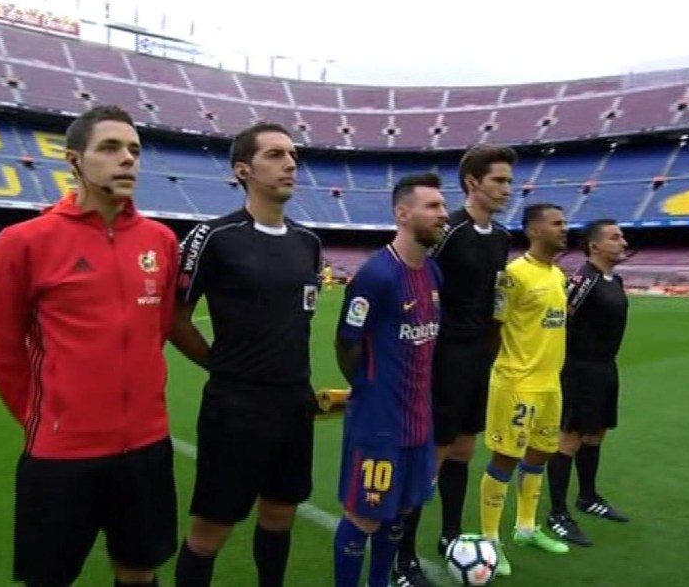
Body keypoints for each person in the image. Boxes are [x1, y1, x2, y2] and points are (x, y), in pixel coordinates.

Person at [0, 105, 179, 587]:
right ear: (74, 160)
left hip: (148, 444)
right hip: (62, 453)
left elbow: (159, 329)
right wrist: (48, 419)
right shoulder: (23, 242)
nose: (126, 159)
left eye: (134, 149)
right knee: (50, 576)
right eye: (110, 148)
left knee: (140, 570)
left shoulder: (162, 240)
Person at [170, 122, 322, 587]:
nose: (290, 163)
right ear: (244, 170)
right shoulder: (214, 237)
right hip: (235, 409)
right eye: (275, 155)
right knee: (209, 532)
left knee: (280, 517)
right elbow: (174, 318)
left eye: (292, 154)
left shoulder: (308, 243)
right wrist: (221, 365)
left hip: (295, 405)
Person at [394, 145, 515, 586]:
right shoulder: (448, 231)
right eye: (499, 180)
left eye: (508, 180)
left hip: (477, 357)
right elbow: (413, 278)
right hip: (441, 356)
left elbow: (496, 296)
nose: (507, 188)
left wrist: (492, 345)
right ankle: (402, 558)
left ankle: (449, 535)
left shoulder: (501, 237)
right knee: (433, 458)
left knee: (464, 451)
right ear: (472, 183)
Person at [332, 173, 448, 587]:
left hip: (419, 422)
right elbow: (346, 344)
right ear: (403, 213)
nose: (443, 213)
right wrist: (370, 390)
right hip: (379, 425)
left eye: (443, 205)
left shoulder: (433, 274)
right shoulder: (375, 276)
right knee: (364, 516)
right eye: (432, 206)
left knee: (400, 512)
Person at [479, 203, 572, 576]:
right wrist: (506, 368)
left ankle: (526, 528)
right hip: (517, 383)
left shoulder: (559, 275)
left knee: (540, 454)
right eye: (557, 223)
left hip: (550, 383)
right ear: (534, 231)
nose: (565, 229)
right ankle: (490, 541)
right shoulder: (513, 275)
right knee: (505, 458)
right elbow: (494, 325)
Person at [546, 219, 631, 547]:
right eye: (614, 237)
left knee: (596, 436)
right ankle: (557, 514)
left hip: (606, 369)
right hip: (580, 370)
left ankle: (588, 497)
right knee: (569, 440)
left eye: (622, 236)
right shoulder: (583, 280)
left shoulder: (616, 279)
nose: (623, 242)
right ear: (595, 246)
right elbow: (559, 320)